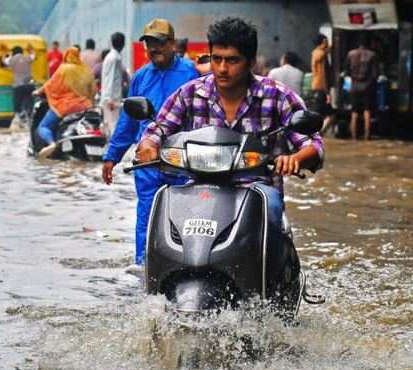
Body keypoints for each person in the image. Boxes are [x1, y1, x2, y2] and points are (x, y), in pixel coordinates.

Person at [135, 17, 324, 265]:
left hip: (256, 191)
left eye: (232, 60)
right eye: (217, 59)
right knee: (166, 203)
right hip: (198, 190)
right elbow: (158, 128)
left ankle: (278, 280)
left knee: (273, 207)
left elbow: (314, 145)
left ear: (250, 62)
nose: (223, 68)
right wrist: (149, 146)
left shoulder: (277, 95)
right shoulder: (191, 93)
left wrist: (295, 159)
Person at [101, 18, 199, 267]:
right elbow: (128, 120)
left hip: (182, 160)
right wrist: (111, 156)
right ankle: (143, 267)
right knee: (147, 214)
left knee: (188, 216)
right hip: (148, 161)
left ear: (172, 44)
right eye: (149, 44)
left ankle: (188, 265)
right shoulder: (141, 77)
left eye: (159, 43)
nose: (153, 49)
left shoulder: (190, 74)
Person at [33, 47, 96, 157]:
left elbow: (50, 84)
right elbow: (93, 90)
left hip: (65, 106)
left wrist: (38, 91)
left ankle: (51, 144)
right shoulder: (85, 70)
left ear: (66, 56)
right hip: (85, 107)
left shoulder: (63, 69)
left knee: (43, 127)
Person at [345, 35, 377, 140]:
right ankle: (367, 136)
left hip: (354, 86)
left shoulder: (351, 54)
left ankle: (353, 137)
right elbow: (374, 74)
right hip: (367, 86)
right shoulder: (372, 55)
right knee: (367, 111)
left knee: (354, 112)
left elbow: (347, 71)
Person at [0, 44, 36, 126]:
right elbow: (33, 56)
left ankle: (20, 119)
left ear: (13, 52)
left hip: (18, 85)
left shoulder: (12, 59)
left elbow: (3, 61)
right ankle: (29, 118)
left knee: (17, 104)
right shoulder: (27, 58)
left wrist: (3, 52)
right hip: (29, 84)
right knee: (29, 102)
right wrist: (31, 49)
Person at [100, 32, 126, 135]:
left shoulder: (111, 57)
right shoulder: (114, 58)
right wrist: (110, 99)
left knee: (109, 124)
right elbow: (110, 78)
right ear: (123, 44)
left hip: (109, 96)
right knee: (113, 124)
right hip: (112, 98)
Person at [309, 34, 335, 135]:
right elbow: (319, 56)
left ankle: (318, 134)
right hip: (318, 88)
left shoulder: (323, 53)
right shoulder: (317, 52)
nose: (327, 42)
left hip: (322, 89)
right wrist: (327, 47)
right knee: (320, 114)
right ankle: (316, 134)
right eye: (325, 41)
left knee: (330, 115)